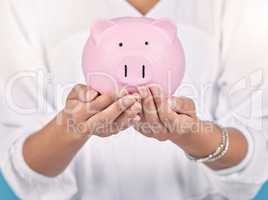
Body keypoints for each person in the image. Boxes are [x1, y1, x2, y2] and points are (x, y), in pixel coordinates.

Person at [0, 0, 268, 199]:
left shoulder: (239, 6)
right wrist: (71, 128)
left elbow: (258, 153)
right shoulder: (23, 6)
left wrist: (191, 135)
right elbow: (21, 168)